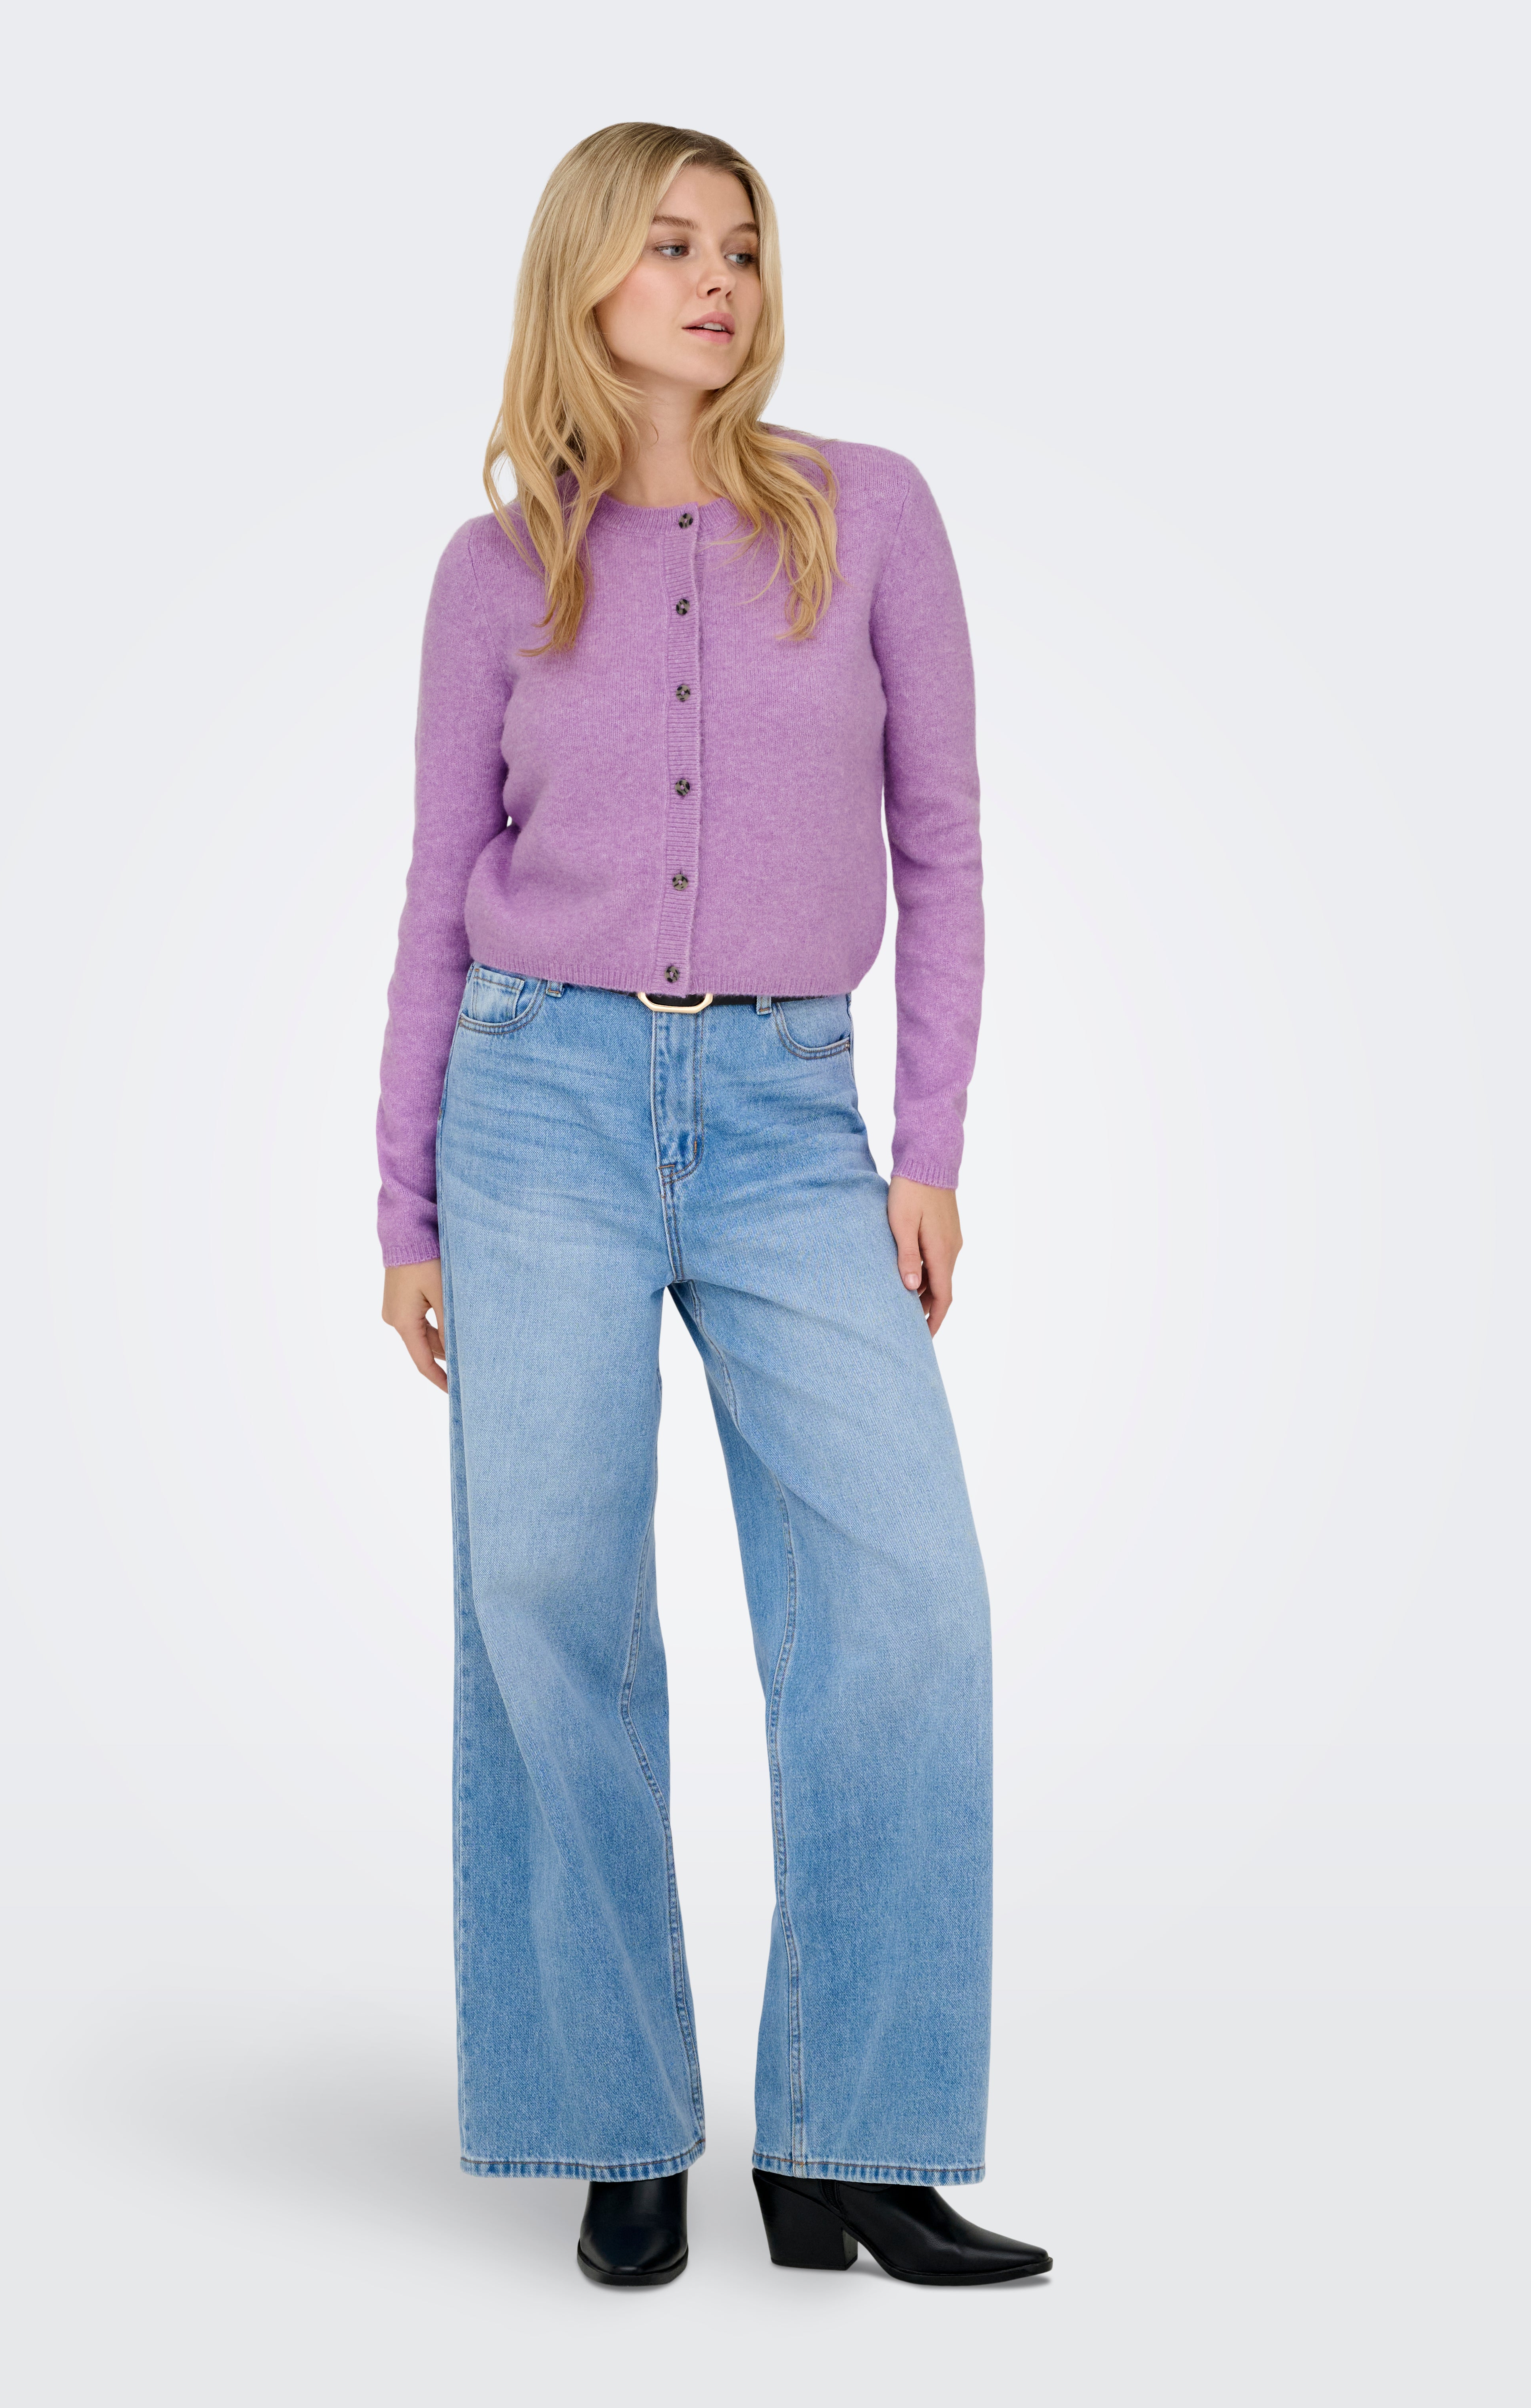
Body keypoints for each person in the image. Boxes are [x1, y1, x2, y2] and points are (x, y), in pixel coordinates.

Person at [376, 121, 1050, 2290]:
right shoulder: (497, 571)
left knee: (911, 1605)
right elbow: (435, 892)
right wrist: (405, 1203)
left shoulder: (873, 515)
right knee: (545, 1592)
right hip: (535, 1105)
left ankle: (855, 2138)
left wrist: (928, 1142)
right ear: (584, 277)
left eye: (742, 248)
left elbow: (945, 839)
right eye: (670, 243)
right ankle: (613, 2122)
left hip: (785, 1116)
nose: (717, 280)